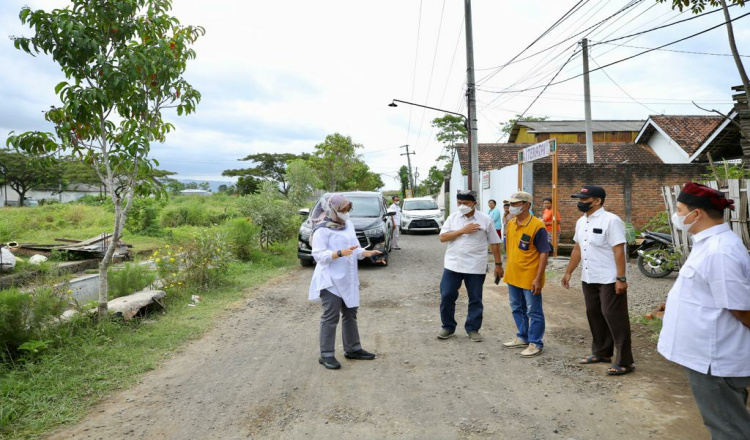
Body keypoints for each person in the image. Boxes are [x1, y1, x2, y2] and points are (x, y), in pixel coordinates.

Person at [657, 182, 750, 439]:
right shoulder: (709, 243)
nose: (676, 216)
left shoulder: (720, 251)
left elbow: (741, 309)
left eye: (679, 209)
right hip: (707, 356)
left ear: (696, 214)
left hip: (716, 359)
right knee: (725, 421)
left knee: (728, 427)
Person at [561, 185, 634, 375]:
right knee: (594, 314)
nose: (580, 203)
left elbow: (619, 250)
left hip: (609, 278)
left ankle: (625, 361)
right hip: (589, 276)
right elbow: (577, 249)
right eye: (579, 199)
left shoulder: (611, 220)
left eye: (584, 200)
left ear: (597, 201)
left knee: (614, 316)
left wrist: (621, 278)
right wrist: (569, 271)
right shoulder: (581, 222)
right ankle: (602, 352)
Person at [308, 194, 383, 370]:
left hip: (348, 278)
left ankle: (353, 349)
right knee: (330, 317)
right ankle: (326, 354)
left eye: (348, 210)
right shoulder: (322, 229)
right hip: (331, 280)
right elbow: (318, 255)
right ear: (332, 209)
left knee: (351, 314)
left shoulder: (347, 225)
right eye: (343, 210)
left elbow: (355, 249)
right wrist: (339, 253)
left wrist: (367, 253)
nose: (346, 213)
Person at [437, 190, 503, 342]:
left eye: (465, 203)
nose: (461, 206)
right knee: (447, 295)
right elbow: (443, 237)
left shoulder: (485, 219)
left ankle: (473, 328)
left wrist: (498, 264)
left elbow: (494, 242)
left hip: (475, 266)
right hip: (453, 264)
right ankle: (447, 326)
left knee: (475, 298)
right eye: (459, 203)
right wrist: (462, 231)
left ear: (474, 203)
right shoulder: (452, 218)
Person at [502, 191, 551, 357]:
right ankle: (522, 336)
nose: (511, 207)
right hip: (513, 274)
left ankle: (535, 342)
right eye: (510, 204)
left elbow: (544, 252)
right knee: (517, 308)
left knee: (533, 311)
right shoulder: (511, 223)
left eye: (515, 204)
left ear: (526, 205)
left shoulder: (537, 225)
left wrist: (538, 278)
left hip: (530, 276)